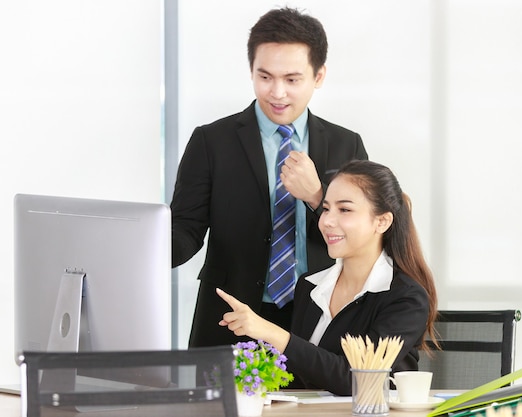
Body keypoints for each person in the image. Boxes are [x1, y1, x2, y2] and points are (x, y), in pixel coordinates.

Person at [170, 7, 368, 348]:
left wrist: (317, 196)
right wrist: (137, 253)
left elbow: (365, 238)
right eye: (265, 77)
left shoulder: (345, 144)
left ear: (318, 76)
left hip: (319, 319)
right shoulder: (211, 141)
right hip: (230, 317)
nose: (277, 93)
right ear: (251, 70)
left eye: (292, 80)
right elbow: (185, 230)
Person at [217, 160, 439, 395]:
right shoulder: (311, 285)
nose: (326, 221)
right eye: (325, 209)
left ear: (382, 221)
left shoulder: (406, 298)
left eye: (344, 210)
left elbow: (356, 380)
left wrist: (273, 333)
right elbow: (296, 377)